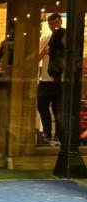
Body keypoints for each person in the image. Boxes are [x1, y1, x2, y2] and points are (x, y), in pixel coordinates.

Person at [37, 13, 64, 145]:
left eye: (56, 23)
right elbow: (36, 58)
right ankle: (47, 134)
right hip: (45, 79)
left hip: (61, 80)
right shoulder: (45, 38)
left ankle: (58, 136)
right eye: (52, 24)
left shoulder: (66, 39)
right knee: (42, 107)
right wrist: (44, 52)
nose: (54, 26)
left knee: (58, 109)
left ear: (61, 23)